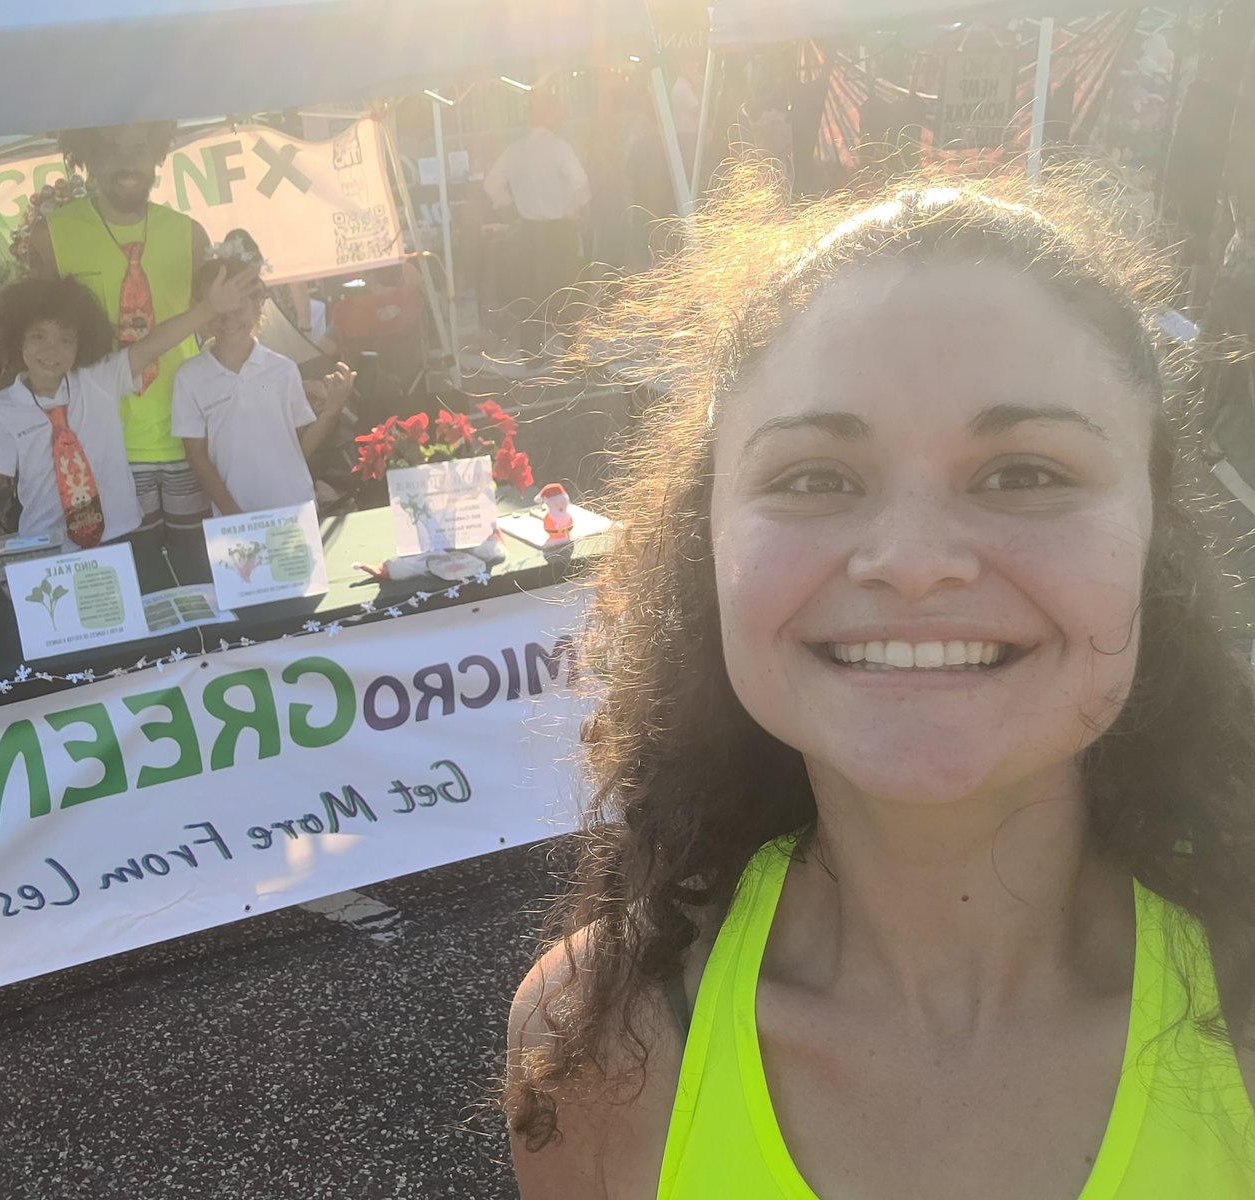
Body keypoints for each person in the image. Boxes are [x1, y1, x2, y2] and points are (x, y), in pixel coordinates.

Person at [504, 161, 1255, 1198]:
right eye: (815, 477)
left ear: (1152, 533)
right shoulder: (601, 1043)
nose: (911, 560)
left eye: (1025, 473)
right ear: (707, 543)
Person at [0, 123, 258, 550]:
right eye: (110, 149)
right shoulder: (52, 234)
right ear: (86, 157)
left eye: (139, 148)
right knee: (131, 575)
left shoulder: (190, 234)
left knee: (200, 569)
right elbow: (37, 329)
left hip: (188, 436)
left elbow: (214, 323)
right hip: (105, 450)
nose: (127, 162)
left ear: (157, 155)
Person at [0, 267, 248, 553]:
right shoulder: (2, 410)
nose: (51, 349)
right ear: (18, 338)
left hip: (120, 538)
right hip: (47, 547)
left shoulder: (100, 380)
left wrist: (208, 308)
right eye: (38, 336)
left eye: (65, 340)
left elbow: (155, 344)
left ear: (81, 345)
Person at [172, 257, 355, 517]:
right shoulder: (189, 377)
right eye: (218, 310)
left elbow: (298, 448)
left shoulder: (284, 370)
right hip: (233, 518)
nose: (228, 319)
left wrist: (332, 412)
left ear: (258, 306)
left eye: (238, 307)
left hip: (295, 509)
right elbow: (196, 455)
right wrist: (233, 513)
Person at [485, 93, 592, 356]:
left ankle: (531, 353)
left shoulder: (515, 150)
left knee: (530, 293)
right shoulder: (559, 147)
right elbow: (581, 186)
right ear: (551, 114)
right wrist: (578, 211)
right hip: (560, 230)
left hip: (529, 230)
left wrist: (510, 208)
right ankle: (572, 353)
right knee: (566, 291)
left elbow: (491, 183)